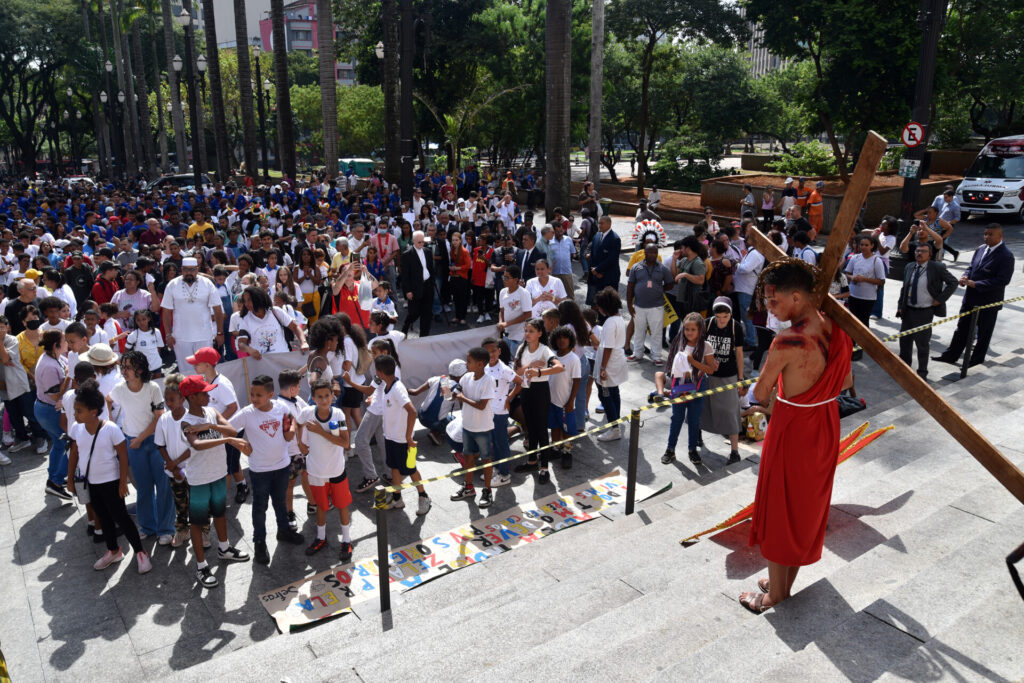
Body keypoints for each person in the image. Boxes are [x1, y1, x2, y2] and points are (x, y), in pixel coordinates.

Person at [740, 260, 853, 614]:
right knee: (804, 506)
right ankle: (782, 582)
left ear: (796, 296)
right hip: (824, 420)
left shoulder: (786, 341)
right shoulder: (836, 326)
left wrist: (763, 399)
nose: (769, 310)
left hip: (792, 426)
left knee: (778, 507)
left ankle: (775, 595)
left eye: (773, 303)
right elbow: (846, 382)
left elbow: (759, 393)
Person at [172, 375, 252, 587]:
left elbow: (233, 429)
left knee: (220, 513)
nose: (209, 395)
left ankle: (224, 548)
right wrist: (225, 438)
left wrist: (209, 426)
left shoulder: (211, 413)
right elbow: (197, 444)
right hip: (199, 480)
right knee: (197, 523)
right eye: (204, 392)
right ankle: (201, 566)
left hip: (218, 474)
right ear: (192, 397)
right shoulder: (186, 422)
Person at [67, 381, 152, 574]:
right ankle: (113, 550)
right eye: (75, 410)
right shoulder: (77, 429)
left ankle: (140, 552)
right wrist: (70, 479)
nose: (75, 414)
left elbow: (123, 456)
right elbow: (74, 454)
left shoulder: (111, 429)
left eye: (79, 410)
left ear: (94, 411)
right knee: (103, 518)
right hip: (91, 483)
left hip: (112, 482)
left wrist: (123, 481)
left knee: (121, 517)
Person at [229, 374, 306, 565]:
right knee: (260, 507)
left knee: (280, 501)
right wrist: (239, 443)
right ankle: (259, 542)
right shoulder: (247, 413)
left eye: (258, 395)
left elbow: (290, 426)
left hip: (282, 465)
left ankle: (284, 530)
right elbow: (228, 429)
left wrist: (291, 428)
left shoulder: (282, 408)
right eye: (252, 394)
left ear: (270, 394)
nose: (254, 399)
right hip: (259, 470)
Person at [108, 351, 173, 544]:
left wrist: (140, 438)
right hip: (132, 442)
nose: (124, 371)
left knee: (163, 486)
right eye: (123, 367)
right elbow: (108, 400)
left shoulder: (152, 388)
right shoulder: (119, 388)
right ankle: (147, 526)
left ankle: (166, 529)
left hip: (155, 442)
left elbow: (159, 416)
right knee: (143, 487)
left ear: (140, 369)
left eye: (128, 367)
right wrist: (113, 425)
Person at [933, 224, 1015, 368]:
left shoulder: (1006, 256)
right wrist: (965, 276)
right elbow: (971, 267)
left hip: (988, 302)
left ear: (1000, 236)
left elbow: (1002, 280)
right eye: (985, 234)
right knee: (962, 328)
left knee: (984, 333)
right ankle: (951, 355)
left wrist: (976, 284)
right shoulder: (980, 249)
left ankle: (975, 361)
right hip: (970, 299)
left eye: (990, 235)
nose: (987, 237)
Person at [297, 378, 354, 562]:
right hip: (315, 471)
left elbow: (345, 443)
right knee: (321, 505)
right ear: (313, 397)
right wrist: (300, 442)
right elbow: (296, 423)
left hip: (336, 470)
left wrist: (320, 432)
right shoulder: (306, 413)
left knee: (342, 505)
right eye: (319, 396)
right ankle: (321, 538)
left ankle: (346, 540)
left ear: (332, 396)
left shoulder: (338, 415)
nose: (324, 400)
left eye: (327, 396)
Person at [508, 319, 564, 481]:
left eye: (531, 331)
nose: (527, 334)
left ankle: (545, 468)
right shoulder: (522, 348)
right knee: (530, 428)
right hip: (526, 391)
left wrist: (540, 372)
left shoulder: (544, 350)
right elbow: (517, 372)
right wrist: (532, 365)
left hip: (540, 392)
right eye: (526, 330)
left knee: (541, 429)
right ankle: (532, 461)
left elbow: (559, 367)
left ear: (540, 333)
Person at [377, 355, 432, 515]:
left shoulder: (397, 388)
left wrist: (408, 437)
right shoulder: (387, 387)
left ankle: (424, 497)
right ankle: (397, 499)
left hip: (403, 441)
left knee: (410, 469)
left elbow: (412, 411)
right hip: (390, 437)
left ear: (379, 372)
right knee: (394, 468)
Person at [660, 312, 717, 465]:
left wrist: (693, 361)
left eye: (693, 330)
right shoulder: (679, 343)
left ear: (700, 330)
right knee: (676, 418)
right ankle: (670, 450)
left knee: (694, 420)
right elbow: (672, 365)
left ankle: (692, 450)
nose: (689, 332)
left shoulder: (706, 346)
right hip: (679, 385)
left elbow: (711, 370)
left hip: (698, 386)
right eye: (687, 329)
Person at [896, 243, 959, 379]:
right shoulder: (909, 267)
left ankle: (922, 373)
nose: (919, 253)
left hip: (924, 312)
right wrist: (900, 306)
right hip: (908, 311)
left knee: (922, 344)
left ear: (929, 254)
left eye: (923, 251)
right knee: (904, 342)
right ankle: (904, 370)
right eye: (917, 251)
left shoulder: (937, 268)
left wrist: (940, 299)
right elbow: (904, 288)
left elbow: (953, 282)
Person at [449, 346, 497, 508]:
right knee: (468, 457)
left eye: (469, 361)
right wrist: (451, 395)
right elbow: (458, 393)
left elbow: (482, 405)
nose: (466, 364)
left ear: (480, 364)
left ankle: (487, 491)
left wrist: (462, 397)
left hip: (483, 427)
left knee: (486, 459)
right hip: (468, 426)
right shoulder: (466, 378)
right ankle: (469, 488)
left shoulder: (488, 381)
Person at [161, 257, 224, 374]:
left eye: (192, 270)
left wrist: (220, 332)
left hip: (204, 336)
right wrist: (168, 334)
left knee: (207, 370)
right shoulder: (172, 285)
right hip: (181, 338)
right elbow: (166, 312)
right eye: (186, 270)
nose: (189, 273)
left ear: (197, 269)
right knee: (186, 372)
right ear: (181, 270)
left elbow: (217, 309)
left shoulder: (207, 284)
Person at [701, 298, 745, 463]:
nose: (721, 321)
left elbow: (739, 354)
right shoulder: (707, 324)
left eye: (725, 317)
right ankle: (696, 438)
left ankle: (735, 451)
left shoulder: (736, 327)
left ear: (730, 315)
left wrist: (740, 379)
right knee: (703, 407)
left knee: (731, 412)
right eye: (719, 317)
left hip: (728, 375)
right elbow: (699, 348)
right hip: (708, 374)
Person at [34, 329, 71, 500]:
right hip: (49, 411)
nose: (67, 343)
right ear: (56, 345)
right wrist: (69, 379)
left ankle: (53, 476)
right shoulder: (48, 366)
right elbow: (55, 396)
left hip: (48, 409)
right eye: (64, 340)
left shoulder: (55, 357)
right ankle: (55, 482)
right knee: (70, 443)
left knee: (58, 443)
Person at [626, 243, 673, 365]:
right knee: (639, 330)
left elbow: (670, 283)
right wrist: (629, 305)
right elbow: (630, 287)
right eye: (650, 252)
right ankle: (637, 353)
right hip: (638, 306)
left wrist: (660, 289)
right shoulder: (636, 267)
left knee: (656, 332)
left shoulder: (662, 269)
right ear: (645, 253)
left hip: (656, 306)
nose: (653, 255)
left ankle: (656, 356)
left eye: (655, 252)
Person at [593, 287, 628, 441]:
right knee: (614, 393)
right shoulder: (619, 319)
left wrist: (602, 368)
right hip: (616, 360)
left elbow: (607, 347)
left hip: (609, 363)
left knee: (605, 394)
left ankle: (614, 428)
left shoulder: (609, 323)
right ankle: (615, 422)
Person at [482, 337, 516, 488]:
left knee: (502, 443)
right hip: (488, 410)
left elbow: (521, 382)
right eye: (487, 352)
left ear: (499, 351)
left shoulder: (505, 369)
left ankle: (504, 474)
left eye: (494, 351)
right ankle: (496, 467)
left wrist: (509, 398)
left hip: (500, 412)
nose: (491, 354)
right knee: (494, 441)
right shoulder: (484, 367)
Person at [547, 325, 581, 469]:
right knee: (554, 426)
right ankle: (556, 448)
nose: (562, 341)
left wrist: (570, 401)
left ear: (570, 340)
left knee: (567, 430)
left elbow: (577, 381)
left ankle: (567, 451)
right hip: (552, 401)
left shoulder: (573, 359)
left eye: (565, 338)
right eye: (559, 338)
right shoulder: (552, 356)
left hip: (565, 403)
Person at [843, 234, 886, 333]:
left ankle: (861, 346)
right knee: (852, 321)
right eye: (861, 245)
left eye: (866, 245)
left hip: (868, 298)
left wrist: (864, 279)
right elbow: (847, 273)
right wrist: (852, 277)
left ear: (872, 246)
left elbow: (881, 281)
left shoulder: (876, 261)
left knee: (863, 322)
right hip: (853, 294)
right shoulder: (855, 258)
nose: (863, 247)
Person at [399, 230, 434, 337]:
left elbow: (430, 268)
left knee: (427, 313)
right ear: (413, 241)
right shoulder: (406, 255)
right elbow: (405, 275)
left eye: (423, 242)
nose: (421, 244)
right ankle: (405, 327)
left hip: (427, 285)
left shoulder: (428, 251)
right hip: (414, 288)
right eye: (419, 242)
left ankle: (424, 336)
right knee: (414, 312)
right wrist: (408, 291)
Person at [586, 216, 621, 305]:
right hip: (595, 276)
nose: (599, 225)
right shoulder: (597, 235)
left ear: (609, 224)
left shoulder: (615, 239)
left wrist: (598, 270)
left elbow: (612, 259)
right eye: (599, 223)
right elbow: (592, 251)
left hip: (608, 277)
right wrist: (594, 270)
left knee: (608, 303)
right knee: (596, 302)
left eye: (602, 223)